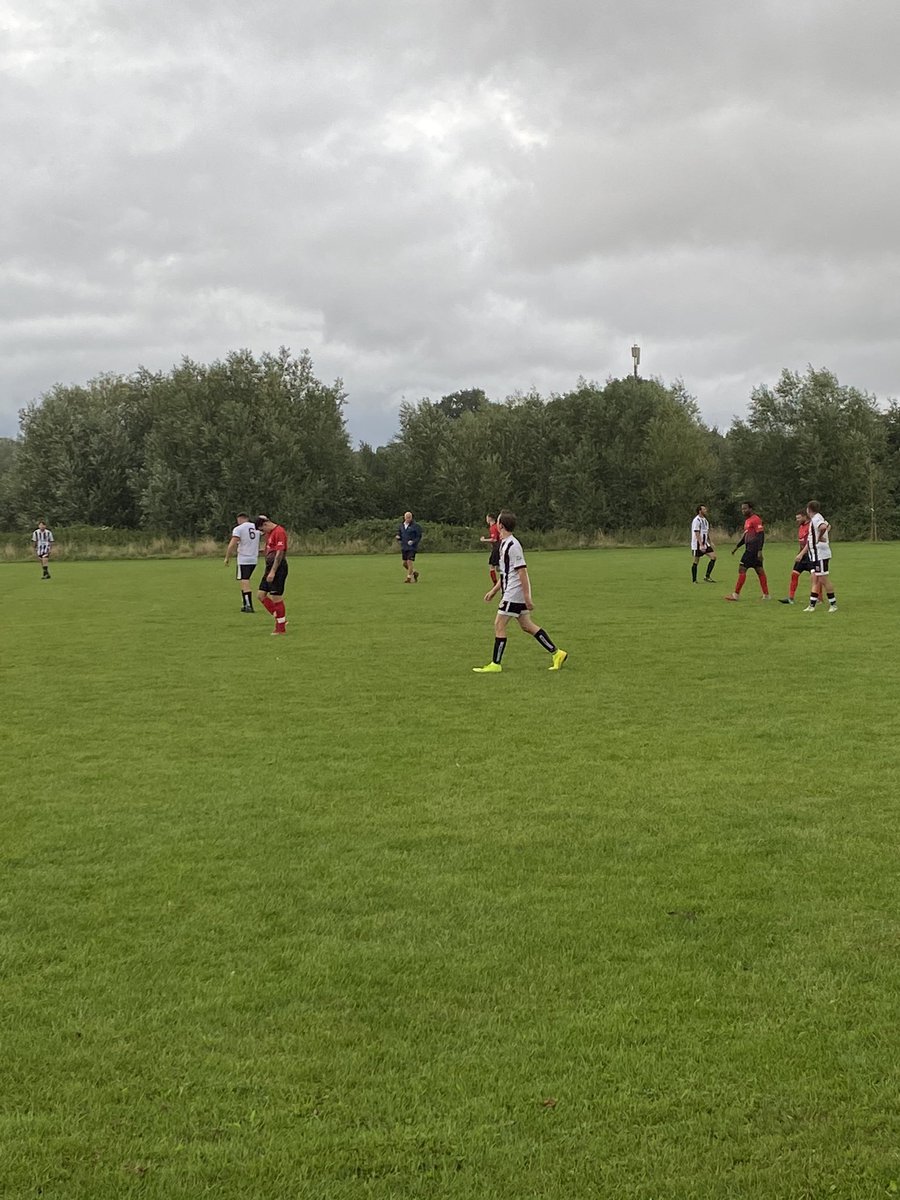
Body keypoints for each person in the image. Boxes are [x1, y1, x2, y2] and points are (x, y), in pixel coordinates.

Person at [473, 510, 567, 673]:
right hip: (511, 591)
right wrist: (494, 590)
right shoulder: (504, 544)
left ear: (501, 525)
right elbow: (507, 573)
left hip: (514, 593)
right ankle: (557, 653)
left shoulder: (513, 545)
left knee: (499, 624)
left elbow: (522, 572)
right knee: (527, 625)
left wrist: (527, 597)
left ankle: (496, 664)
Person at [724, 501, 769, 601]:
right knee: (759, 570)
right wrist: (737, 547)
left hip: (752, 550)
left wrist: (759, 550)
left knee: (742, 568)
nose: (743, 511)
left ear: (750, 509)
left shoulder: (756, 519)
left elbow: (761, 535)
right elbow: (746, 537)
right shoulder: (748, 521)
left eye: (745, 508)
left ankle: (736, 595)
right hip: (750, 549)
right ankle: (766, 595)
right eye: (742, 509)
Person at [255, 515, 289, 635]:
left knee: (276, 597)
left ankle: (280, 628)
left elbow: (279, 553)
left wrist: (273, 571)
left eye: (262, 530)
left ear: (265, 525)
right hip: (269, 568)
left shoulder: (279, 531)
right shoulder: (270, 533)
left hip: (278, 568)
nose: (263, 533)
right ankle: (280, 617)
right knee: (260, 595)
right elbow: (271, 548)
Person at [803, 501, 837, 613]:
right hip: (815, 554)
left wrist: (820, 537)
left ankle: (833, 604)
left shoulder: (816, 519)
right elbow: (828, 526)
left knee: (823, 579)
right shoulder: (818, 517)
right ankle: (811, 606)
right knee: (815, 578)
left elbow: (823, 527)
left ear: (809, 509)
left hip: (821, 554)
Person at [224, 512, 260, 612]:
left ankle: (248, 605)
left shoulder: (239, 529)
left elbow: (232, 544)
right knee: (245, 579)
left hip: (244, 558)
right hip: (254, 558)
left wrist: (227, 557)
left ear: (239, 519)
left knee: (245, 580)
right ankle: (245, 604)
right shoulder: (255, 527)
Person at [778, 512, 813, 605]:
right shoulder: (801, 527)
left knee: (815, 578)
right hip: (802, 556)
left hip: (811, 556)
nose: (797, 520)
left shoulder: (811, 525)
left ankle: (819, 599)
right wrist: (799, 553)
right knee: (794, 574)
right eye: (796, 518)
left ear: (805, 517)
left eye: (799, 518)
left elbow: (810, 543)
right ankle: (791, 598)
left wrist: (801, 554)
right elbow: (802, 543)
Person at [690, 504, 716, 583]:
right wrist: (701, 545)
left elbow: (706, 532)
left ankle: (707, 576)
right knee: (696, 561)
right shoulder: (696, 520)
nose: (706, 510)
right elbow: (697, 533)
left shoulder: (705, 520)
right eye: (704, 509)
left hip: (705, 543)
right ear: (700, 511)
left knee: (713, 557)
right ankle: (694, 580)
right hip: (698, 544)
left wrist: (710, 542)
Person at [396, 511, 422, 583]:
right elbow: (399, 533)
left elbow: (418, 536)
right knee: (404, 563)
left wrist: (413, 541)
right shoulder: (401, 525)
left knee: (409, 562)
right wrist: (398, 537)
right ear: (404, 517)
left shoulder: (415, 526)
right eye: (406, 517)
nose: (408, 519)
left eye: (409, 517)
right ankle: (414, 572)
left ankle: (409, 578)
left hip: (412, 547)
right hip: (404, 547)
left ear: (411, 517)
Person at [480, 513, 501, 586]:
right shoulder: (497, 526)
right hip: (499, 548)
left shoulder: (493, 527)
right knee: (498, 567)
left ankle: (496, 583)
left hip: (497, 548)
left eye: (487, 518)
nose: (486, 519)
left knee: (492, 566)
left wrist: (484, 540)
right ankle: (502, 581)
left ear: (490, 518)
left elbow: (494, 539)